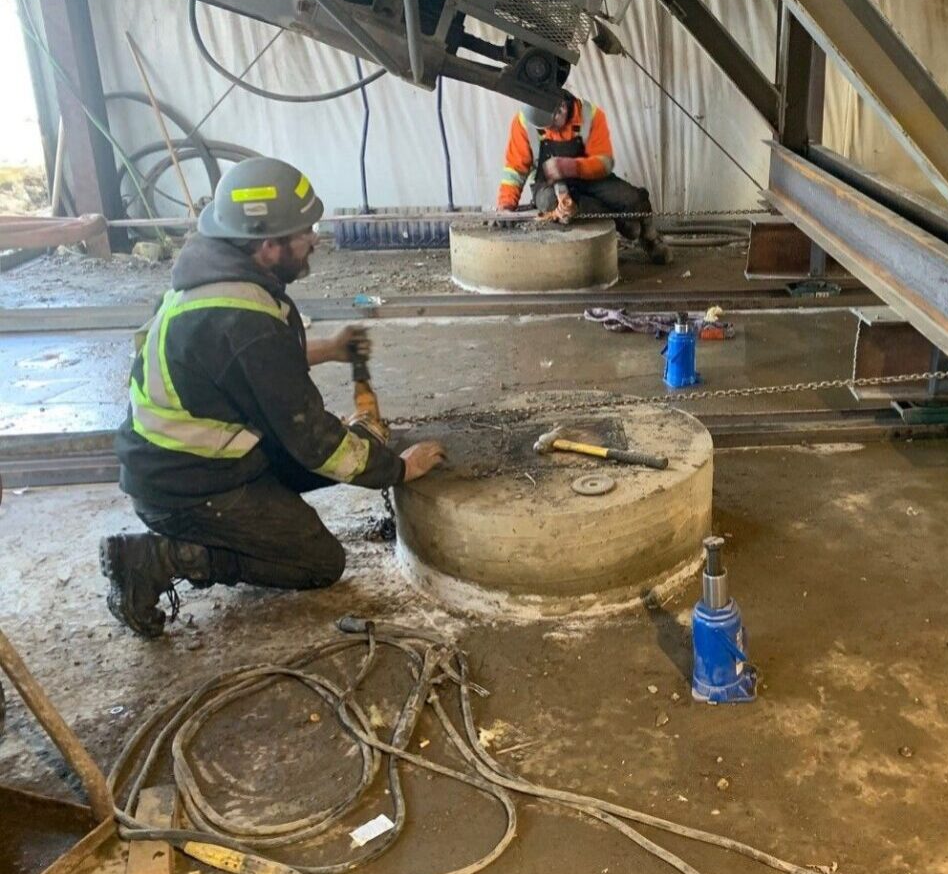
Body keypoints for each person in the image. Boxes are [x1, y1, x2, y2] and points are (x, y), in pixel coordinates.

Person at [102, 157, 447, 638]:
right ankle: (159, 558)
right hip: (190, 489)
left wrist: (329, 350)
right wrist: (398, 469)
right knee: (319, 561)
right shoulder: (245, 320)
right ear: (268, 246)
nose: (315, 240)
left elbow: (245, 366)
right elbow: (314, 442)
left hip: (203, 458)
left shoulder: (217, 275)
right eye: (304, 231)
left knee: (347, 450)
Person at [496, 89, 672, 264]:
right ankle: (620, 221)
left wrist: (571, 167)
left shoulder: (590, 115)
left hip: (590, 177)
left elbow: (604, 163)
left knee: (632, 198)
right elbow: (515, 169)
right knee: (550, 202)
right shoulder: (525, 121)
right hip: (547, 184)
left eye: (552, 125)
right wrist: (506, 204)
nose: (549, 131)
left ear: (562, 108)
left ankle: (650, 237)